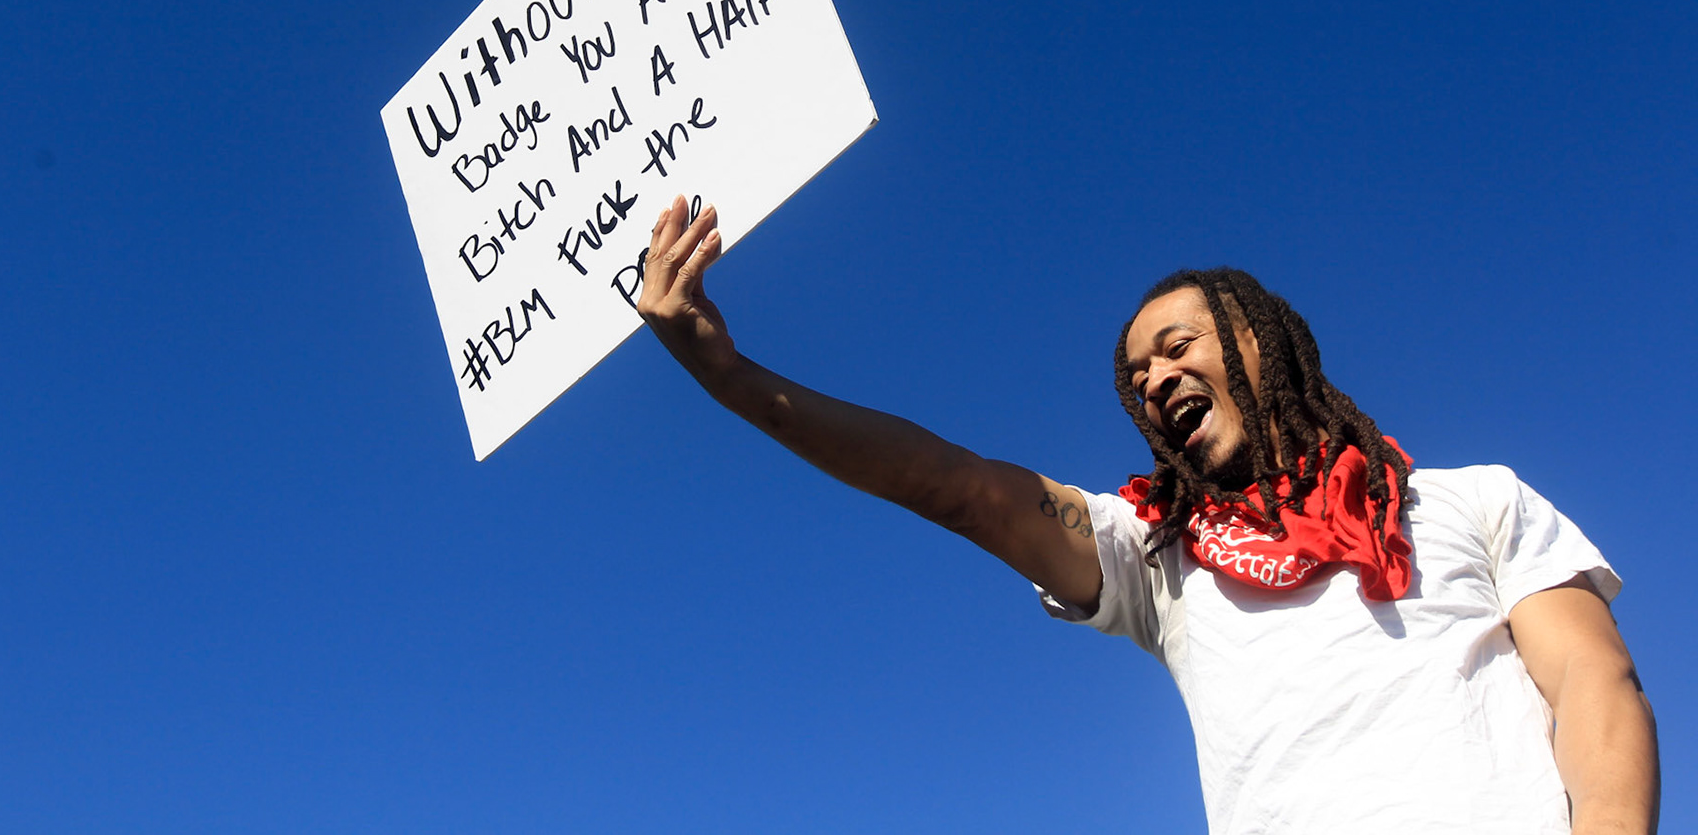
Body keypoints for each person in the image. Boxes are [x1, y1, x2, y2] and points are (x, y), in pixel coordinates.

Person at [635, 196, 1659, 835]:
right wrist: (727, 375)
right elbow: (956, 483)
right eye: (1137, 374)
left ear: (1261, 340)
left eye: (1178, 345)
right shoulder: (1159, 557)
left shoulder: (1473, 497)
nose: (1157, 375)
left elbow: (1592, 678)